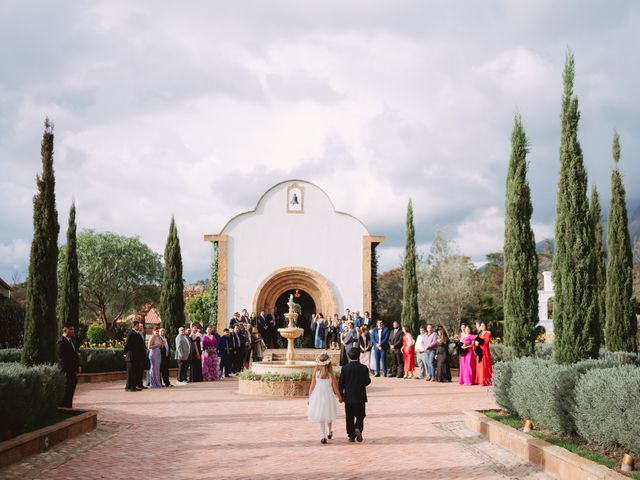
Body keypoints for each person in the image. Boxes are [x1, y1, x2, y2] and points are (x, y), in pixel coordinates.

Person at [307, 353, 343, 444]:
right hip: (328, 396)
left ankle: (323, 436)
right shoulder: (331, 375)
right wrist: (340, 397)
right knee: (329, 413)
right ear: (329, 364)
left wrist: (310, 397)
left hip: (318, 396)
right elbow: (335, 388)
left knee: (321, 416)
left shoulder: (317, 373)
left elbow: (312, 386)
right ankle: (329, 431)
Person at [339, 347, 371, 442]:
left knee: (349, 416)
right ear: (358, 356)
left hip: (348, 396)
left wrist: (341, 395)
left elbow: (341, 383)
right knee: (361, 415)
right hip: (360, 396)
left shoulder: (345, 368)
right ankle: (358, 427)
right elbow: (367, 381)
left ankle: (351, 435)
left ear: (349, 356)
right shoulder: (363, 368)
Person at [56, 324, 80, 407]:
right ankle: (64, 408)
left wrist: (78, 366)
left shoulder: (72, 341)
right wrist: (65, 371)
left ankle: (69, 407)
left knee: (71, 390)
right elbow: (62, 359)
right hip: (66, 371)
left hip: (72, 371)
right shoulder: (61, 342)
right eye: (71, 329)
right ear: (65, 330)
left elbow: (75, 355)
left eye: (73, 329)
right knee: (66, 392)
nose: (73, 331)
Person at [124, 321, 146, 392]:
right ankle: (128, 387)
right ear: (133, 326)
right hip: (131, 356)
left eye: (138, 326)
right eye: (137, 326)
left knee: (135, 372)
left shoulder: (138, 334)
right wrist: (125, 353)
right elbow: (127, 344)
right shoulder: (131, 333)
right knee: (130, 373)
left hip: (136, 357)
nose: (138, 327)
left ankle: (133, 386)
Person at [475, 321, 493, 386]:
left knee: (485, 366)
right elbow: (477, 340)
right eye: (481, 326)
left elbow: (486, 342)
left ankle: (485, 381)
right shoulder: (480, 333)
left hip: (485, 351)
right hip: (479, 351)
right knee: (480, 366)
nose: (482, 327)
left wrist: (478, 342)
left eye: (483, 325)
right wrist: (476, 343)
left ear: (486, 326)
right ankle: (480, 380)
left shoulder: (488, 332)